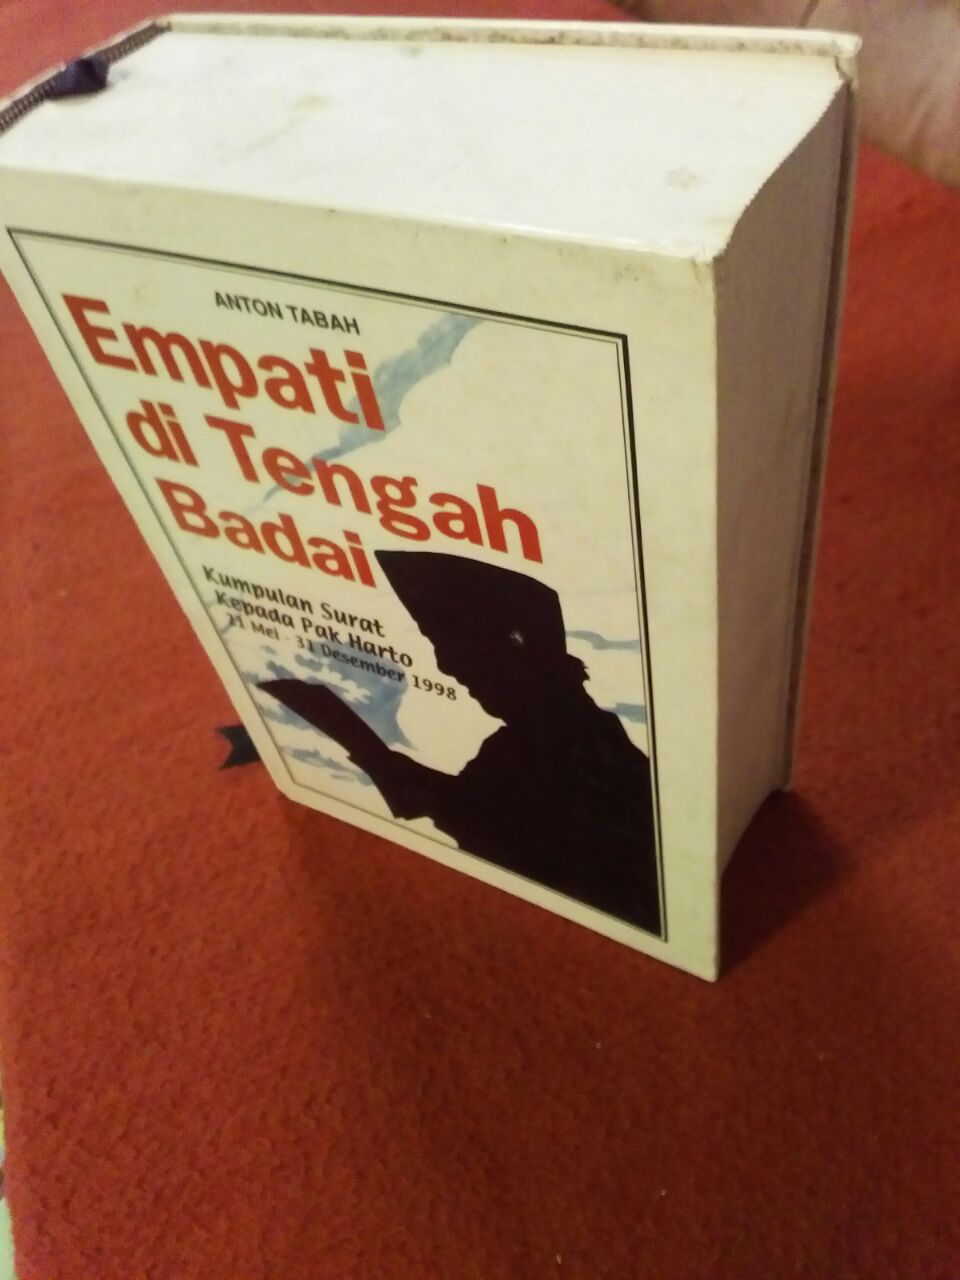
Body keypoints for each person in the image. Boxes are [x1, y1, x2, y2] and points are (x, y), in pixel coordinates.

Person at [261, 550, 662, 934]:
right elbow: (475, 804)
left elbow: (500, 822)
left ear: (516, 650)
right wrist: (371, 752)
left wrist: (376, 756)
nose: (449, 668)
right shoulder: (537, 737)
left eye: (460, 651)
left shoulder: (571, 738)